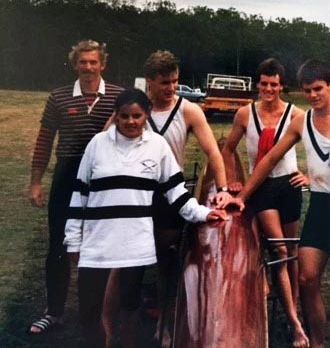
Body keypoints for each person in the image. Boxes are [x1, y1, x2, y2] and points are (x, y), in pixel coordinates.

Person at [64, 88, 227, 348]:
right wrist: (73, 240)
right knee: (88, 316)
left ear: (146, 115)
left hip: (135, 245)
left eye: (137, 116)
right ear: (116, 116)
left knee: (129, 309)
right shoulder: (97, 144)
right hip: (97, 244)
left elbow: (177, 193)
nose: (131, 122)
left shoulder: (158, 146)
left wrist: (205, 213)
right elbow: (79, 194)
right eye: (125, 116)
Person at [231, 59, 330, 348]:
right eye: (307, 91)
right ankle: (317, 342)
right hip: (320, 208)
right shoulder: (302, 121)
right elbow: (270, 159)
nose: (313, 96)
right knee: (308, 279)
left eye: (318, 89)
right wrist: (242, 197)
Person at [28, 40, 123, 334]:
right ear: (75, 65)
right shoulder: (58, 98)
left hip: (104, 179)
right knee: (59, 244)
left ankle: (99, 316)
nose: (88, 67)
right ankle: (54, 312)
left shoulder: (119, 96)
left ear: (102, 64)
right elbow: (45, 141)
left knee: (102, 246)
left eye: (93, 62)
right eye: (83, 62)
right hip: (67, 176)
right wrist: (36, 182)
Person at [221, 58, 309, 348]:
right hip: (261, 188)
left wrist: (309, 176)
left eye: (274, 84)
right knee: (280, 250)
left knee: (292, 250)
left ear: (281, 86)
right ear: (256, 84)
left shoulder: (296, 114)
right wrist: (233, 180)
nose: (268, 89)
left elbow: (320, 148)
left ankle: (291, 308)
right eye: (264, 84)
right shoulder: (245, 114)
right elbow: (228, 149)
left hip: (289, 185)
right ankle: (296, 325)